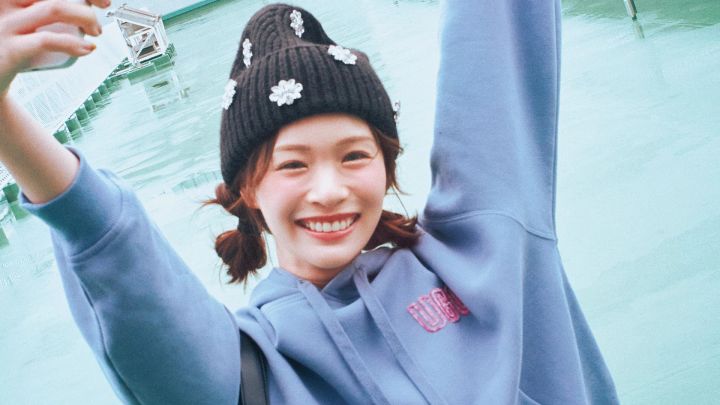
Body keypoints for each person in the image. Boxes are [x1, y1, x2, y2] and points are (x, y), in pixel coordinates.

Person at [0, 0, 620, 404]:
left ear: (386, 168)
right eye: (293, 164)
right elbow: (116, 252)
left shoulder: (488, 250)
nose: (329, 190)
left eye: (355, 156)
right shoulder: (252, 369)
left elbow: (491, 43)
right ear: (249, 190)